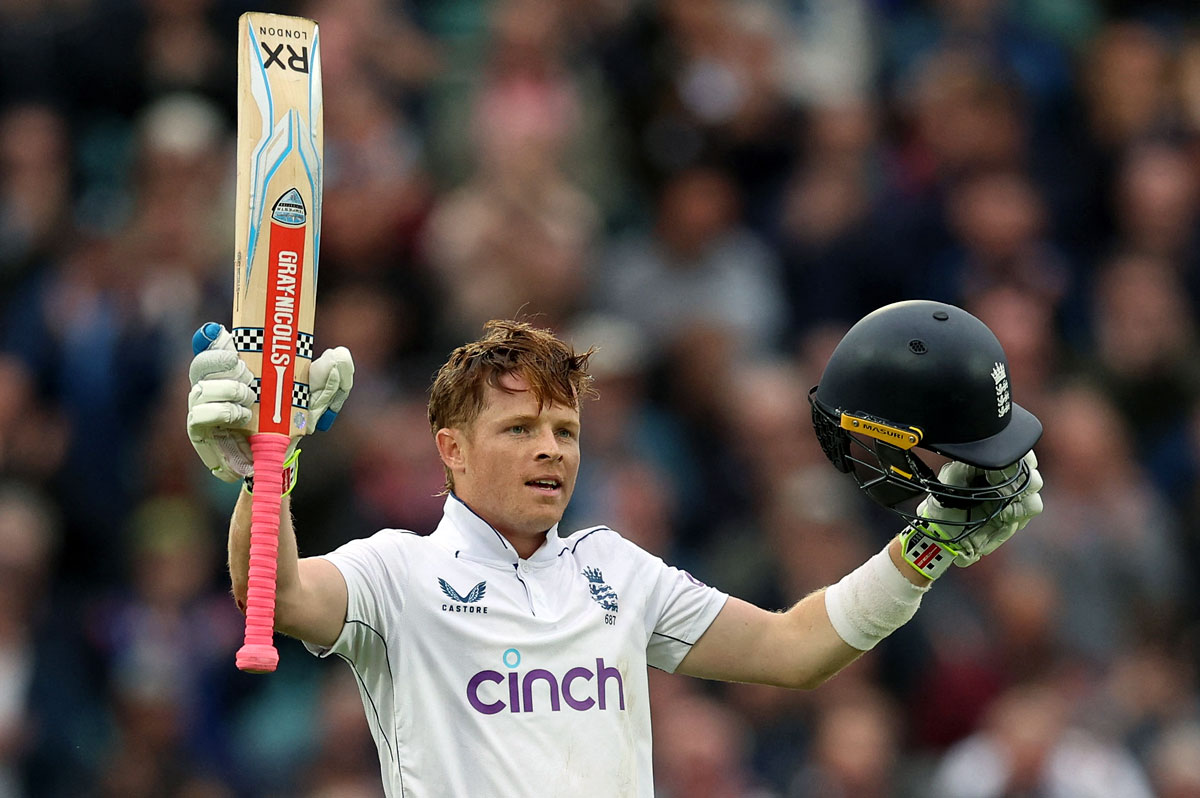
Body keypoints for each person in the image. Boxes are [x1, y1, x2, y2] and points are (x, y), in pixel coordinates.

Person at [185, 300, 1045, 796]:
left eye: (564, 427)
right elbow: (281, 595)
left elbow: (795, 650)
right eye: (519, 428)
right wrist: (268, 472)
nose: (551, 448)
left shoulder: (614, 569)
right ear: (449, 447)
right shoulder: (395, 572)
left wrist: (927, 549)